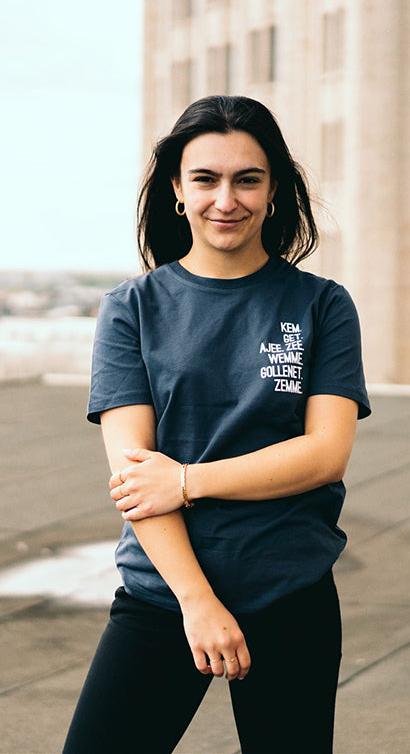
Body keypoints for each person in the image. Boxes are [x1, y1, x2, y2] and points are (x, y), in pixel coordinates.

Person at [62, 95, 370, 754]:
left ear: (275, 189)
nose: (225, 199)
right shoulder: (131, 309)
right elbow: (135, 477)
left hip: (291, 592)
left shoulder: (322, 306)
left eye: (247, 179)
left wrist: (189, 480)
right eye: (205, 179)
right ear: (177, 189)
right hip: (164, 595)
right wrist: (197, 602)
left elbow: (324, 453)